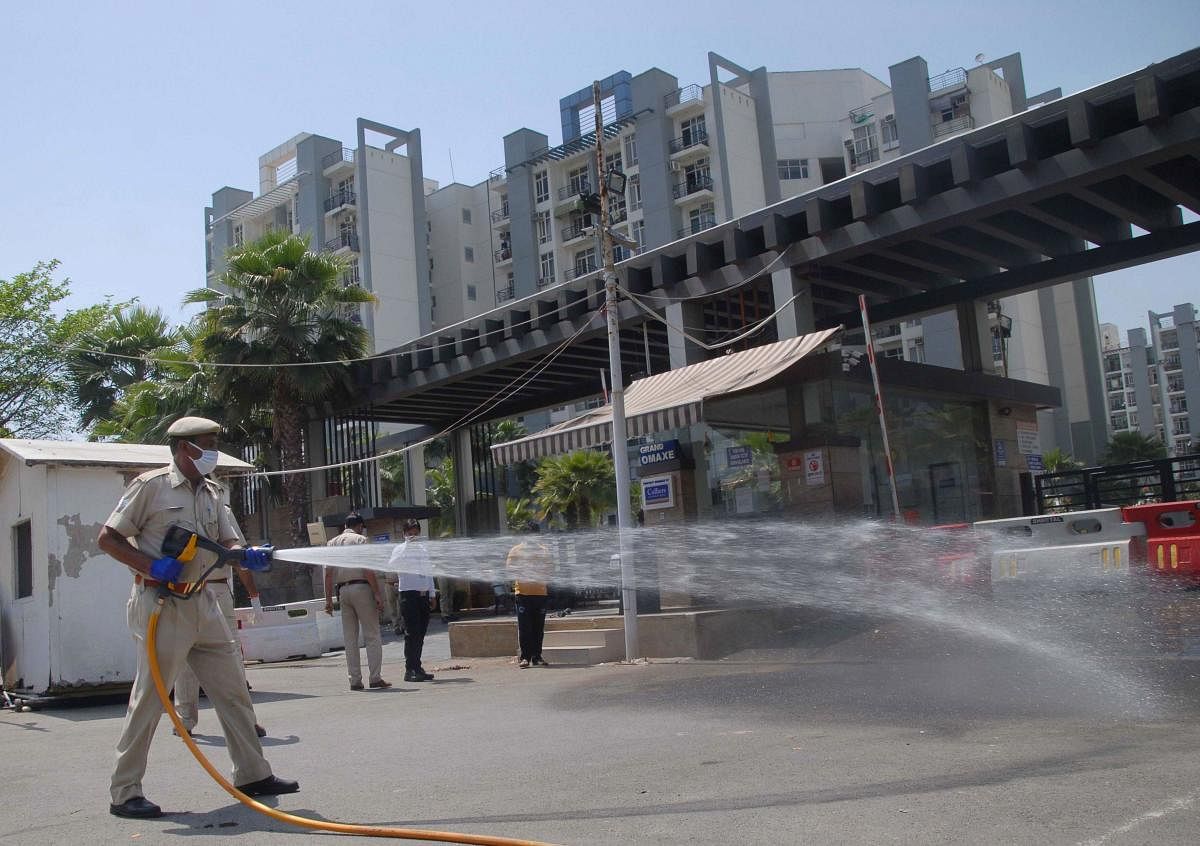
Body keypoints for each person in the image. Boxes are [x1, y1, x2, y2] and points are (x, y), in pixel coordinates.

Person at [97, 416, 298, 820]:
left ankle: (252, 774)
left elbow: (228, 540)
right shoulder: (150, 487)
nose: (213, 453)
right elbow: (109, 538)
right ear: (184, 448)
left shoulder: (211, 491)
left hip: (204, 601)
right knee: (151, 699)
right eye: (207, 445)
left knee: (233, 690)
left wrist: (246, 553)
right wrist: (152, 566)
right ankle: (125, 791)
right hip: (161, 604)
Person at [173, 502, 266, 738]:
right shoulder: (219, 509)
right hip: (214, 590)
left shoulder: (175, 509)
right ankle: (247, 721)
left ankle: (184, 721)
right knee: (230, 656)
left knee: (186, 657)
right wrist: (254, 595)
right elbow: (240, 556)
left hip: (187, 589)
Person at [323, 513, 391, 691]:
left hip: (343, 591)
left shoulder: (332, 543)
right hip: (362, 588)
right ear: (360, 526)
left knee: (350, 638)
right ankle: (375, 677)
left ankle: (355, 680)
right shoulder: (361, 539)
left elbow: (328, 574)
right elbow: (367, 569)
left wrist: (328, 600)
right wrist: (377, 594)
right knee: (372, 635)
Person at [388, 519, 436, 682]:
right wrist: (407, 547)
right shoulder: (400, 549)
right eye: (410, 534)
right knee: (412, 633)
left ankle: (418, 666)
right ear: (404, 534)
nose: (413, 537)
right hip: (408, 595)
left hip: (423, 596)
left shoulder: (423, 550)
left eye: (416, 534)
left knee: (421, 633)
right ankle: (410, 669)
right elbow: (392, 565)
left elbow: (429, 572)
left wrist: (432, 594)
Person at [506, 522, 556, 668]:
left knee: (538, 628)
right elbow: (510, 570)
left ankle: (537, 656)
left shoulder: (544, 551)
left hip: (540, 594)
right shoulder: (515, 551)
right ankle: (525, 657)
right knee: (525, 627)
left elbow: (549, 570)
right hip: (523, 594)